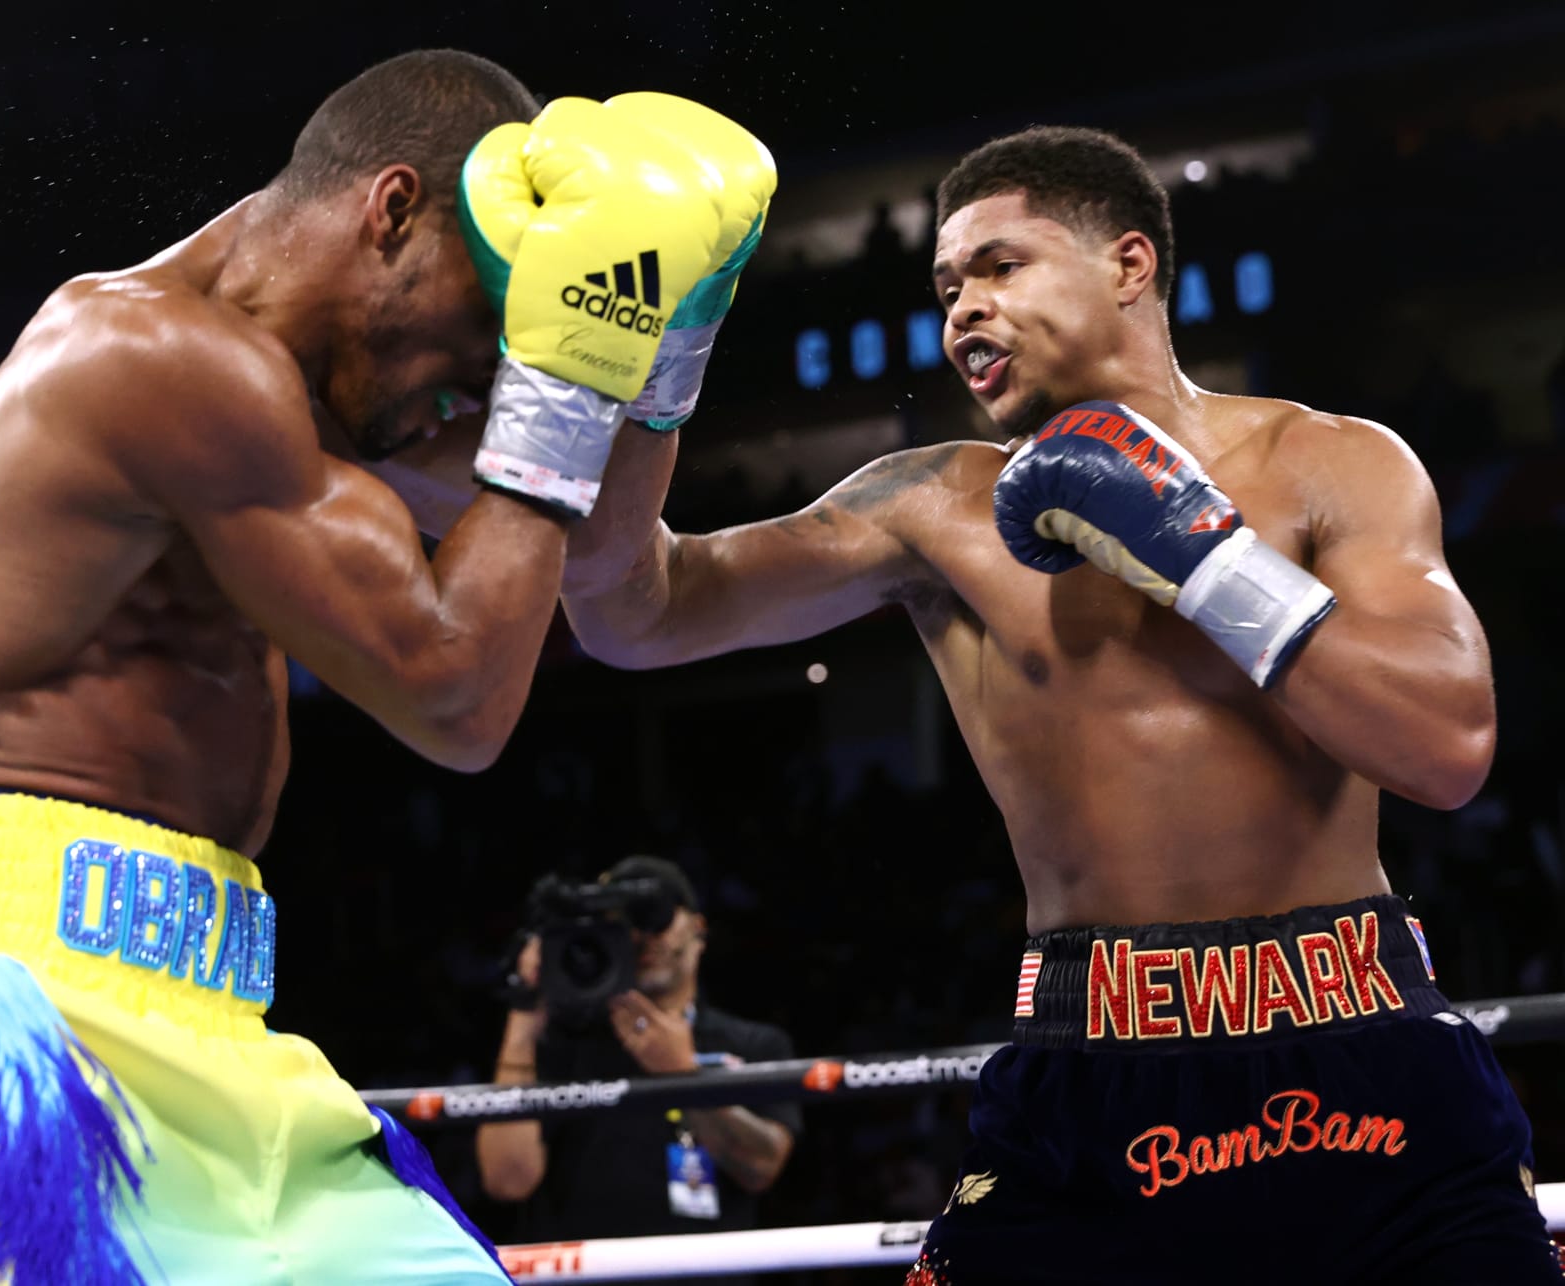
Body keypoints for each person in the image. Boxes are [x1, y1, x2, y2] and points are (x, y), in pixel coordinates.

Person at [0, 50, 775, 1285]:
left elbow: (598, 553)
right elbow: (456, 692)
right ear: (392, 212)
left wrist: (665, 342)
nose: (487, 377)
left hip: (221, 1020)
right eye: (490, 325)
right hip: (11, 1012)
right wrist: (568, 371)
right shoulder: (150, 355)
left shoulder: (320, 402)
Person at [561, 126, 1563, 1283]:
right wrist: (663, 361)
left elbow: (1447, 745)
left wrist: (1205, 558)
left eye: (1000, 265)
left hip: (1361, 1047)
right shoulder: (930, 505)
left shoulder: (1335, 463)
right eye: (947, 289)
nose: (962, 312)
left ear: (1129, 264)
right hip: (1089, 1068)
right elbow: (631, 615)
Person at [476, 857, 799, 1286]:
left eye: (656, 916)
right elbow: (507, 1180)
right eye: (625, 922)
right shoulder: (559, 1046)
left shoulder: (753, 1045)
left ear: (697, 928)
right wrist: (525, 1008)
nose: (644, 935)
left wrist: (683, 1079)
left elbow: (762, 1166)